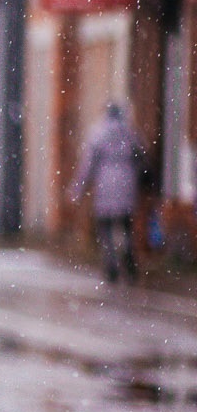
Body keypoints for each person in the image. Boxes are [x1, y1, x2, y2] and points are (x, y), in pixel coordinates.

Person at [73, 99, 146, 284]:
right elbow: (141, 159)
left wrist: (77, 189)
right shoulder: (129, 133)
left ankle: (111, 264)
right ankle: (129, 262)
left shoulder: (98, 134)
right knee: (126, 226)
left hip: (105, 186)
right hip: (127, 186)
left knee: (105, 229)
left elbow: (87, 166)